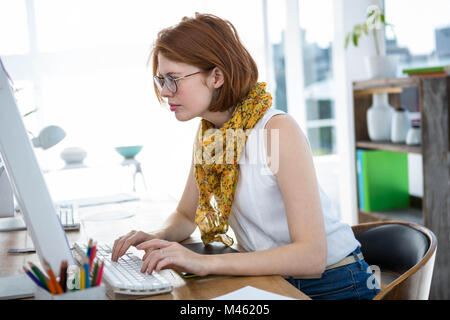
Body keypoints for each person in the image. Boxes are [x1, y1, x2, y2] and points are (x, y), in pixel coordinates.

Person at [111, 13, 380, 300]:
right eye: (162, 80)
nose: (165, 92)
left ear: (216, 76)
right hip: (274, 277)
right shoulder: (213, 134)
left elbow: (311, 256)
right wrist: (156, 236)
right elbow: (185, 216)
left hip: (333, 282)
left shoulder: (274, 132)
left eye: (173, 79)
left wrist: (204, 263)